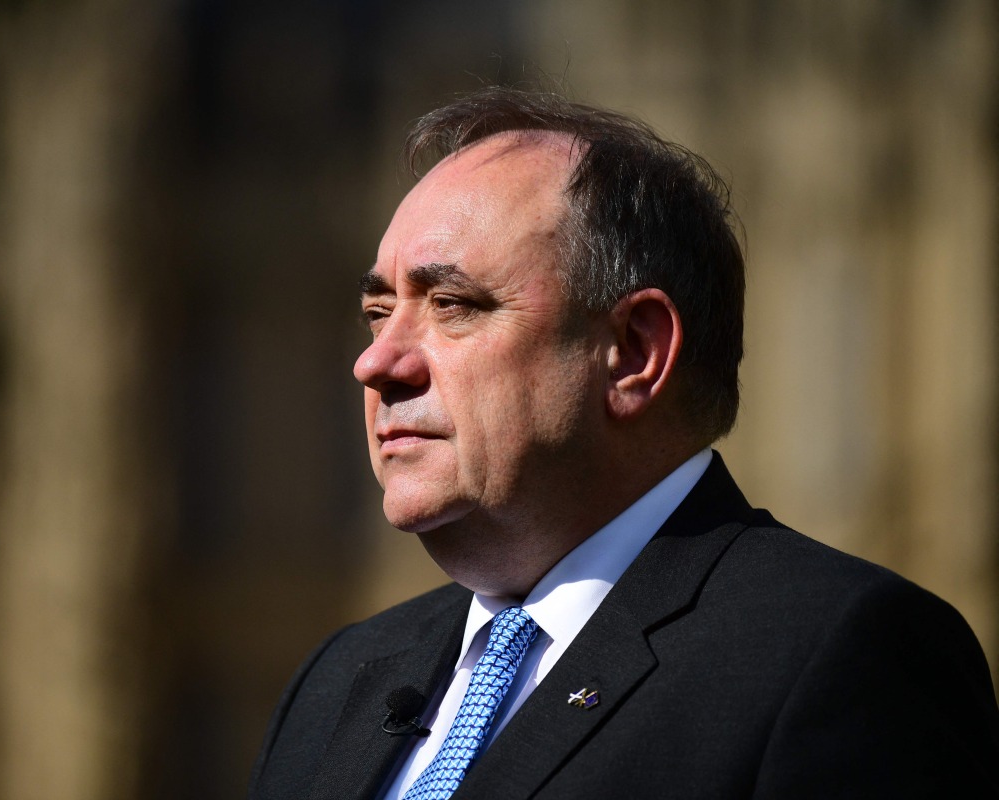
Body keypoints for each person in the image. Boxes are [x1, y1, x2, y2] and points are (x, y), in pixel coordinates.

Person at [248, 88, 999, 799]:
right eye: (379, 313)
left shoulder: (837, 651)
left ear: (634, 351)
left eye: (451, 304)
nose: (375, 363)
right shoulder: (336, 681)